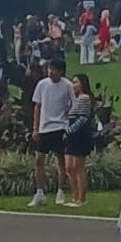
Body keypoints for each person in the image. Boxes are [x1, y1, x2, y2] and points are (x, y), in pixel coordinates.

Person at [29, 61, 74, 208]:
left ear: (61, 71)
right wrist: (35, 128)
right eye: (49, 69)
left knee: (61, 161)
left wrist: (68, 121)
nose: (51, 72)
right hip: (44, 127)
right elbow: (38, 106)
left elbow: (73, 105)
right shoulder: (42, 85)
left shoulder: (67, 85)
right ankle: (40, 192)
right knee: (39, 160)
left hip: (60, 126)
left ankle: (60, 191)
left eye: (54, 69)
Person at [59, 74, 98, 209]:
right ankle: (74, 195)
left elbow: (83, 118)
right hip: (71, 135)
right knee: (69, 167)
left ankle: (81, 198)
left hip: (80, 135)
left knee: (78, 166)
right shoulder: (74, 100)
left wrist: (70, 130)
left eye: (76, 82)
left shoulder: (84, 99)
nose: (73, 85)